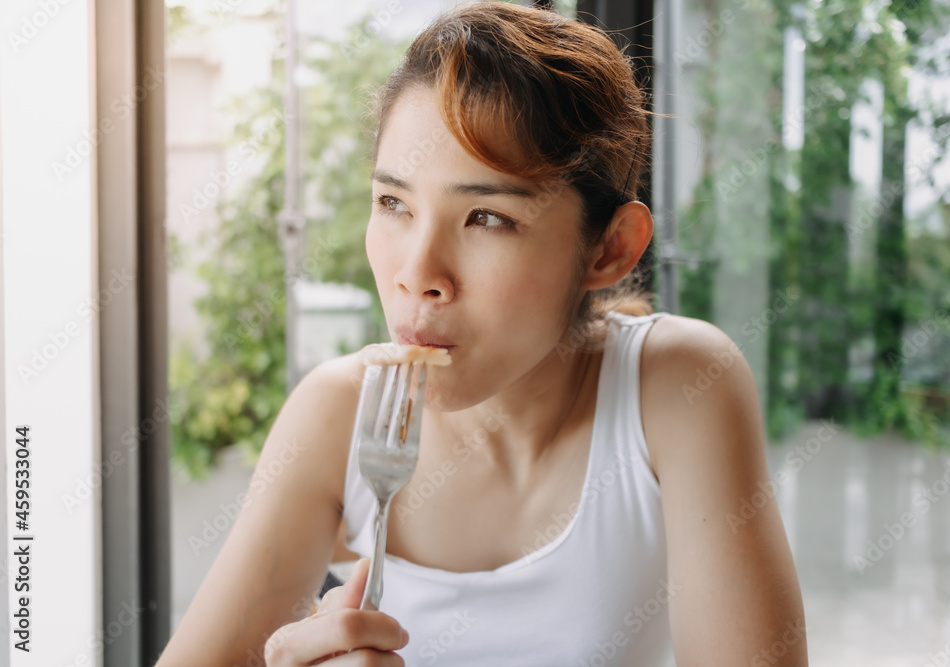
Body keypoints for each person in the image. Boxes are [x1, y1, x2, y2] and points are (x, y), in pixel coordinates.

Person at [155, 2, 807, 665]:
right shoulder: (340, 413)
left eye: (487, 218)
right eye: (393, 203)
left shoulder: (678, 389)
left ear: (609, 248)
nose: (417, 274)